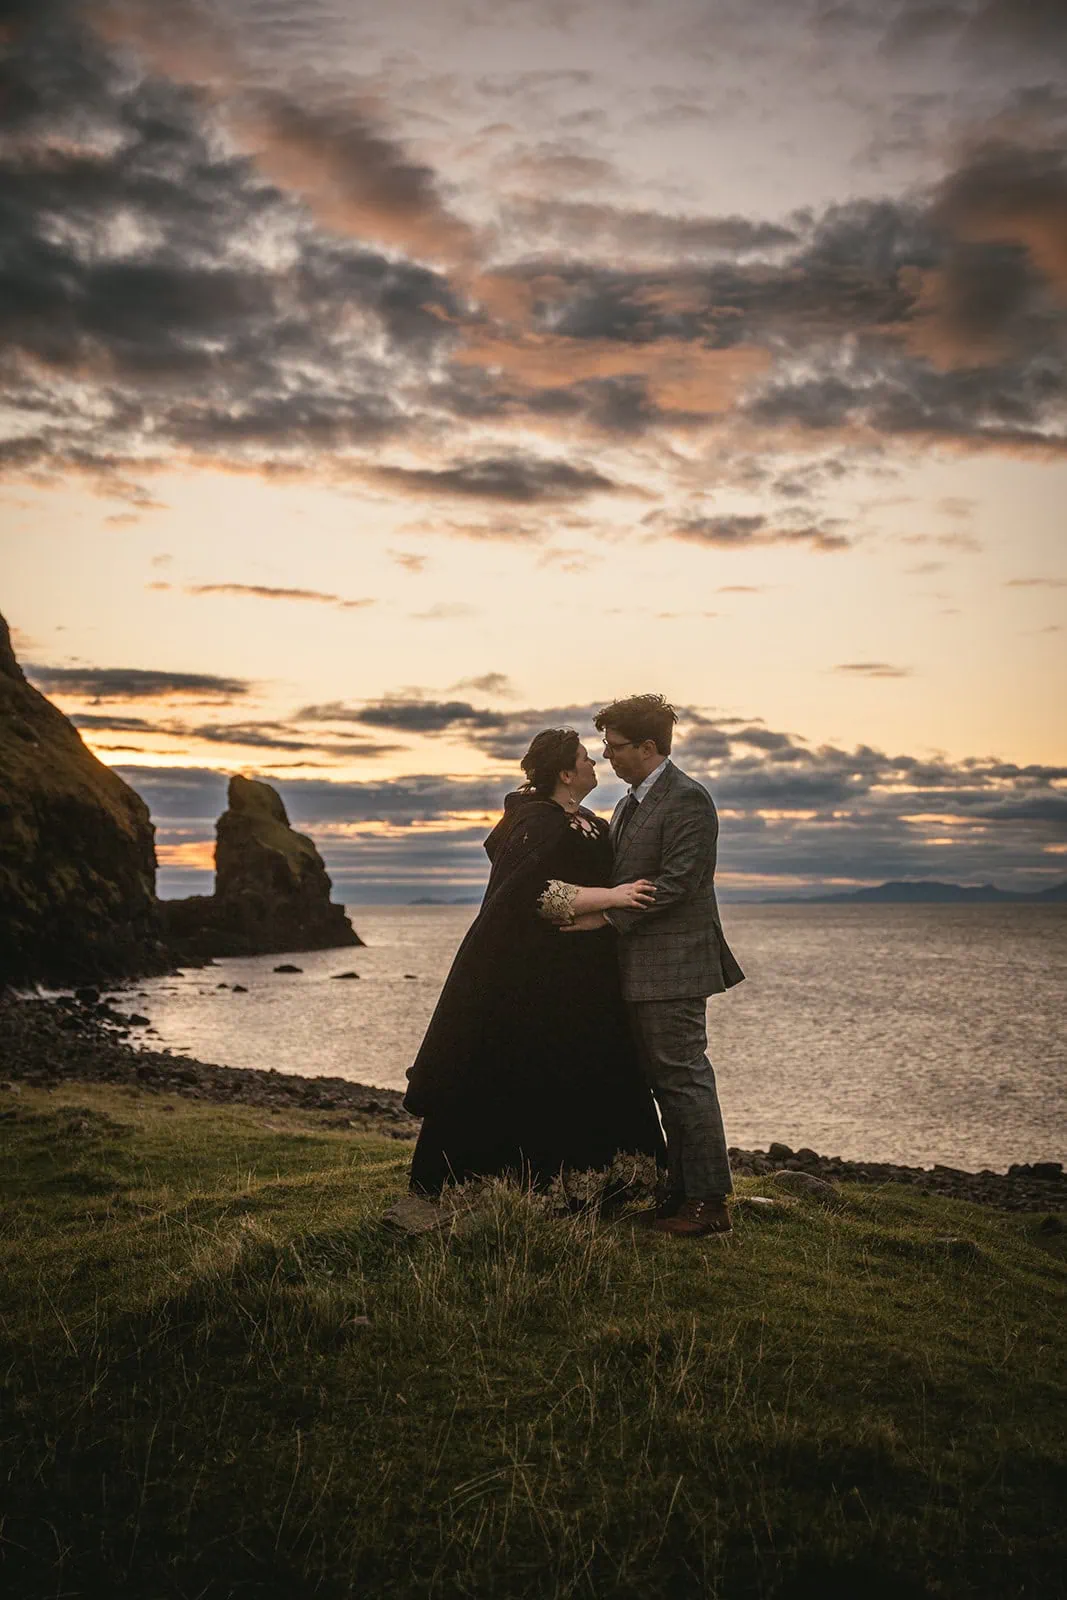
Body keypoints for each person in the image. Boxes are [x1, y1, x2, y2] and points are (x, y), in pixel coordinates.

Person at [404, 728, 667, 1195]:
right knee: (538, 1068)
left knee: (588, 1066)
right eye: (586, 758)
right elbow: (532, 895)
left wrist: (608, 913)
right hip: (538, 974)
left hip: (587, 970)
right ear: (566, 773)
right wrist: (613, 896)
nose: (595, 763)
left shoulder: (589, 819)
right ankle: (531, 1184)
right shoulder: (537, 822)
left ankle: (601, 1182)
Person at [576, 693, 744, 1238]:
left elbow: (677, 883)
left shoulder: (689, 799)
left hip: (675, 966)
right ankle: (679, 1192)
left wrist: (603, 920)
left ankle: (710, 1204)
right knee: (660, 1080)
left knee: (684, 1079)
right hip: (640, 968)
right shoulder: (628, 804)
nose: (607, 755)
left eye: (616, 745)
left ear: (649, 746)